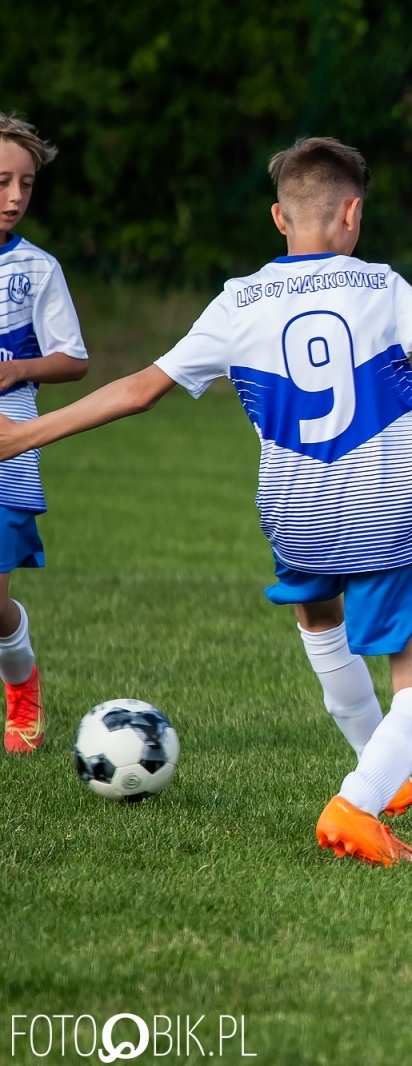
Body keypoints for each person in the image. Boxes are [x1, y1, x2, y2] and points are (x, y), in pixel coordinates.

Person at [0, 138, 412, 866]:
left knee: (319, 615)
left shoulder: (237, 300)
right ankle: (356, 806)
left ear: (279, 217)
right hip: (382, 507)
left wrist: (27, 434)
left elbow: (140, 389)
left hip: (292, 512)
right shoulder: (385, 288)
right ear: (353, 214)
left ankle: (381, 770)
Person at [0, 114, 90, 754]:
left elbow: (75, 359)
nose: (14, 197)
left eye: (26, 184)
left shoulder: (37, 269)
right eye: (2, 181)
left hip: (8, 452)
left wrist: (18, 368)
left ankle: (21, 680)